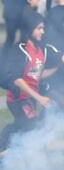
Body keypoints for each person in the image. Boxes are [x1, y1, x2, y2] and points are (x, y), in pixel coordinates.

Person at [0, 13, 59, 151]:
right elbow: (17, 79)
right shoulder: (20, 49)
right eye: (39, 28)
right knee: (32, 128)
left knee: (22, 128)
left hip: (30, 98)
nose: (42, 32)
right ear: (29, 28)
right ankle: (35, 162)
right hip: (18, 99)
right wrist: (39, 98)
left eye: (43, 28)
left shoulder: (39, 49)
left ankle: (8, 147)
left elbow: (37, 75)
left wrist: (58, 68)